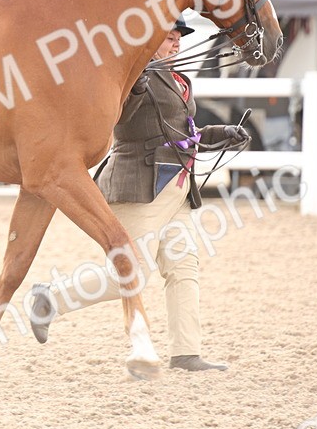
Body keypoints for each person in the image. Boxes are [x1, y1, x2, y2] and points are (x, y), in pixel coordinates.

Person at [27, 19, 249, 372]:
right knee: (128, 274)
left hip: (177, 187)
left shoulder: (180, 80)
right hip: (139, 184)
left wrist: (220, 133)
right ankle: (50, 298)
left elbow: (181, 133)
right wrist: (134, 90)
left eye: (178, 39)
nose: (176, 45)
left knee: (183, 267)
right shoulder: (129, 75)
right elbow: (116, 120)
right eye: (169, 39)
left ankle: (186, 352)